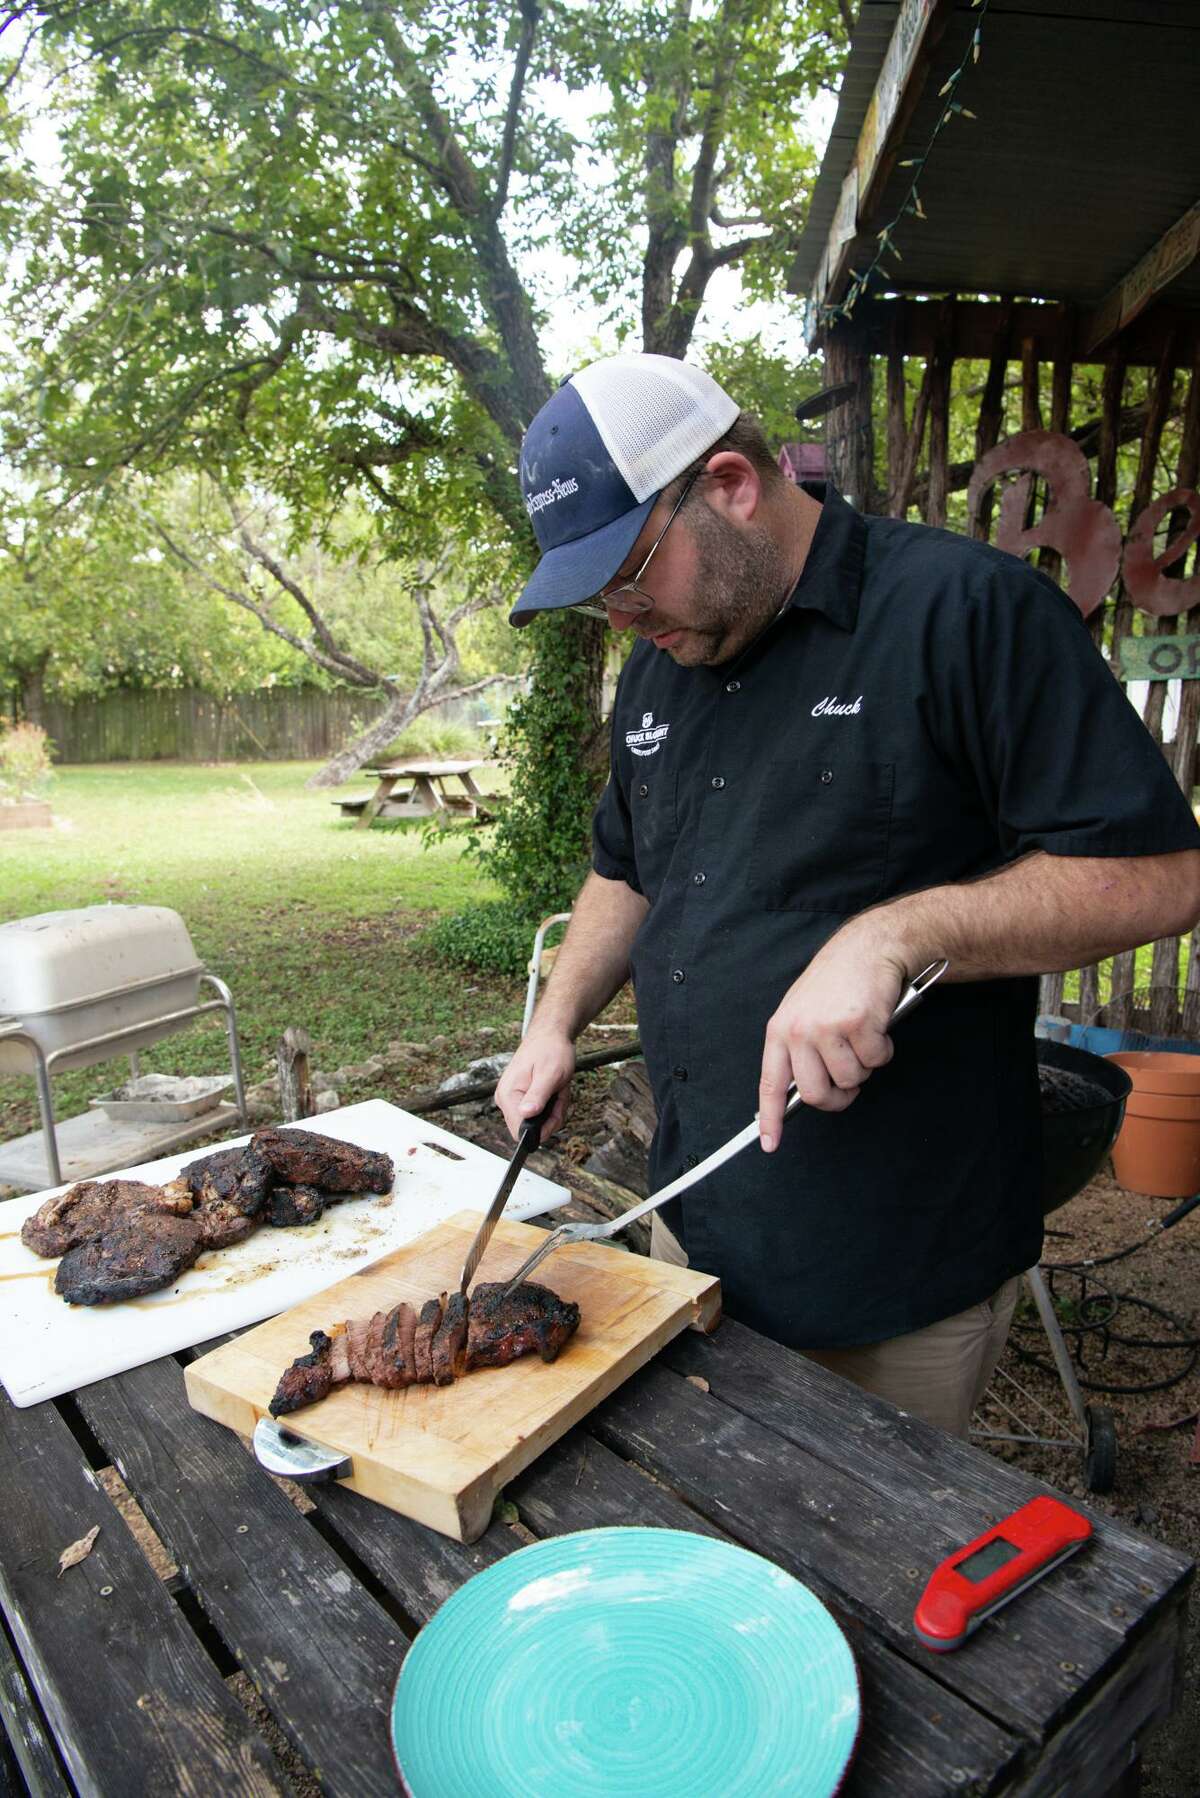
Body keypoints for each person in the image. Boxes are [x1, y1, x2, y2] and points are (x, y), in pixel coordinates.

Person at [494, 352, 1200, 1436]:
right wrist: (553, 1022)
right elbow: (624, 870)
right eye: (600, 601)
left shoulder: (968, 613)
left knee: (872, 1573)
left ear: (729, 483)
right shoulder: (662, 657)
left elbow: (1159, 876)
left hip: (894, 1259)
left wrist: (900, 933)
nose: (622, 619)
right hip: (695, 1221)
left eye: (630, 575)